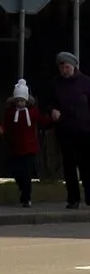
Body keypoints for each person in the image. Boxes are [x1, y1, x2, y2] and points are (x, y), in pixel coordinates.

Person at [0, 76, 53, 206]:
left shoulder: (32, 112)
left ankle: (26, 197)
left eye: (22, 101)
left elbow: (41, 121)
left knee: (26, 173)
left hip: (29, 148)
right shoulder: (10, 112)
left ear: (26, 100)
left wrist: (52, 120)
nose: (20, 104)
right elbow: (6, 125)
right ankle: (22, 189)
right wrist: (3, 131)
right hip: (15, 147)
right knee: (17, 171)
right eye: (17, 101)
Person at [51, 52, 90, 208]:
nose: (65, 71)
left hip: (85, 130)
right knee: (69, 165)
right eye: (62, 68)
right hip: (65, 130)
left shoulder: (86, 82)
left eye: (67, 67)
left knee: (87, 164)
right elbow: (49, 102)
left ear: (74, 67)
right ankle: (73, 199)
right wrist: (52, 110)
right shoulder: (55, 83)